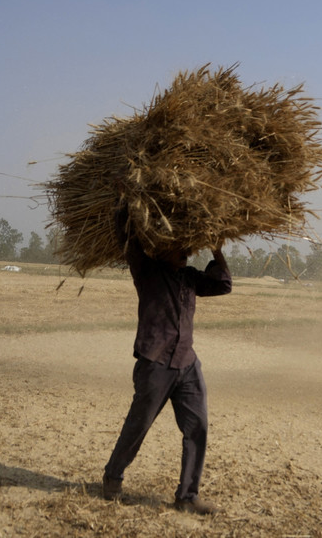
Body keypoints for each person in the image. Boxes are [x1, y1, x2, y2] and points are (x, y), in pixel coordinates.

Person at [101, 203, 232, 515]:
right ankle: (112, 477)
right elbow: (126, 240)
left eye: (187, 247)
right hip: (155, 362)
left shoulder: (190, 278)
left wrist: (216, 250)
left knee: (197, 426)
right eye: (177, 246)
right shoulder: (146, 271)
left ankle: (187, 497)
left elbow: (224, 284)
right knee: (139, 425)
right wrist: (123, 203)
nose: (184, 251)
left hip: (187, 363)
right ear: (161, 248)